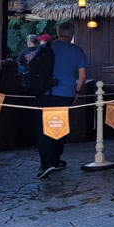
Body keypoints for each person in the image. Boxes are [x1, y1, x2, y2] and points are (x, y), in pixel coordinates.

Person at [35, 24, 88, 179]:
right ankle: (56, 160)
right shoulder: (77, 50)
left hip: (44, 92)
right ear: (71, 34)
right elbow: (83, 75)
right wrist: (76, 91)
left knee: (43, 128)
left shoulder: (46, 48)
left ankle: (46, 163)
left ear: (57, 33)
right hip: (65, 93)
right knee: (58, 125)